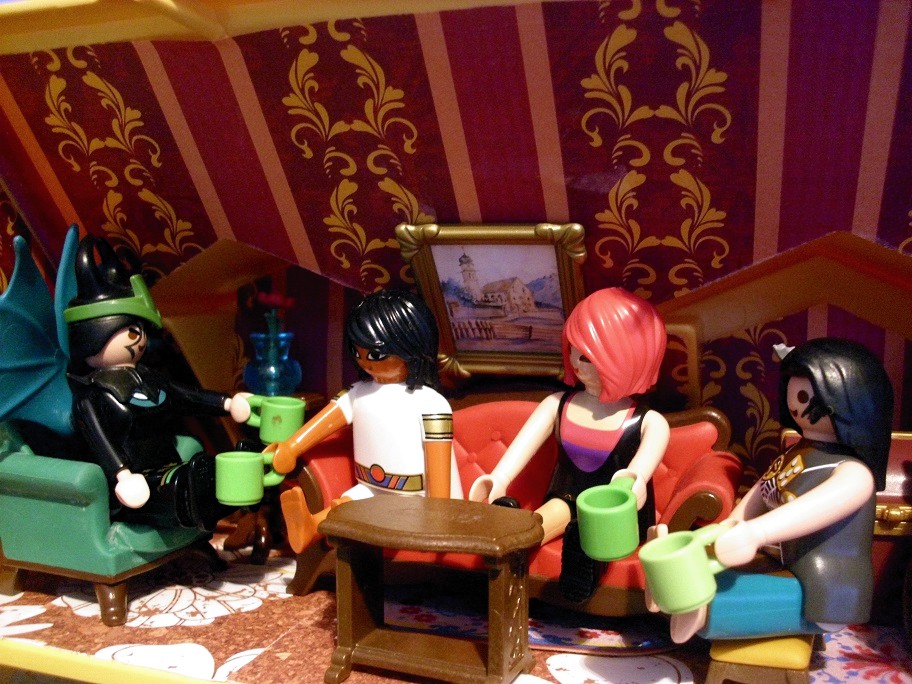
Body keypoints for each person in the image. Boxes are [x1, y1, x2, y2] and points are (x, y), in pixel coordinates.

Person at [666, 338, 892, 643]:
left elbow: (812, 509)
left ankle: (697, 613)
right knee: (700, 576)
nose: (795, 404)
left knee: (708, 596)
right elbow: (763, 491)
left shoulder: (854, 474)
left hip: (819, 587)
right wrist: (731, 525)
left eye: (804, 396)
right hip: (781, 565)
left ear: (843, 401)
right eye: (792, 393)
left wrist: (756, 533)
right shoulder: (796, 452)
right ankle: (674, 600)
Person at [468, 287, 670, 602]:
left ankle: (582, 561)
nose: (576, 362)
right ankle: (510, 536)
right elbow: (521, 447)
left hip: (614, 509)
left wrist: (633, 483)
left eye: (588, 355)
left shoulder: (649, 421)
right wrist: (499, 479)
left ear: (625, 357)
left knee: (600, 530)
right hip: (566, 497)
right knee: (540, 522)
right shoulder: (556, 404)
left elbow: (639, 470)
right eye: (573, 350)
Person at [66, 235, 252, 531]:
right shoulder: (92, 396)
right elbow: (99, 440)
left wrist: (226, 403)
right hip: (129, 490)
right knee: (185, 490)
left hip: (168, 468)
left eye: (139, 329)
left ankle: (235, 484)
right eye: (129, 330)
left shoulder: (149, 379)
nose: (138, 338)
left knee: (205, 477)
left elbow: (184, 396)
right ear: (94, 335)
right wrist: (122, 475)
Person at [272, 289, 462, 553]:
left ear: (412, 349)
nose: (364, 362)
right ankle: (312, 527)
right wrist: (291, 447)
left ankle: (332, 530)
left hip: (419, 499)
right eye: (357, 352)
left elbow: (438, 458)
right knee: (345, 504)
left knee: (357, 510)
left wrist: (439, 514)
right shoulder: (358, 392)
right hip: (371, 487)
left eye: (374, 354)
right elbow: (327, 419)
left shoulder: (429, 403)